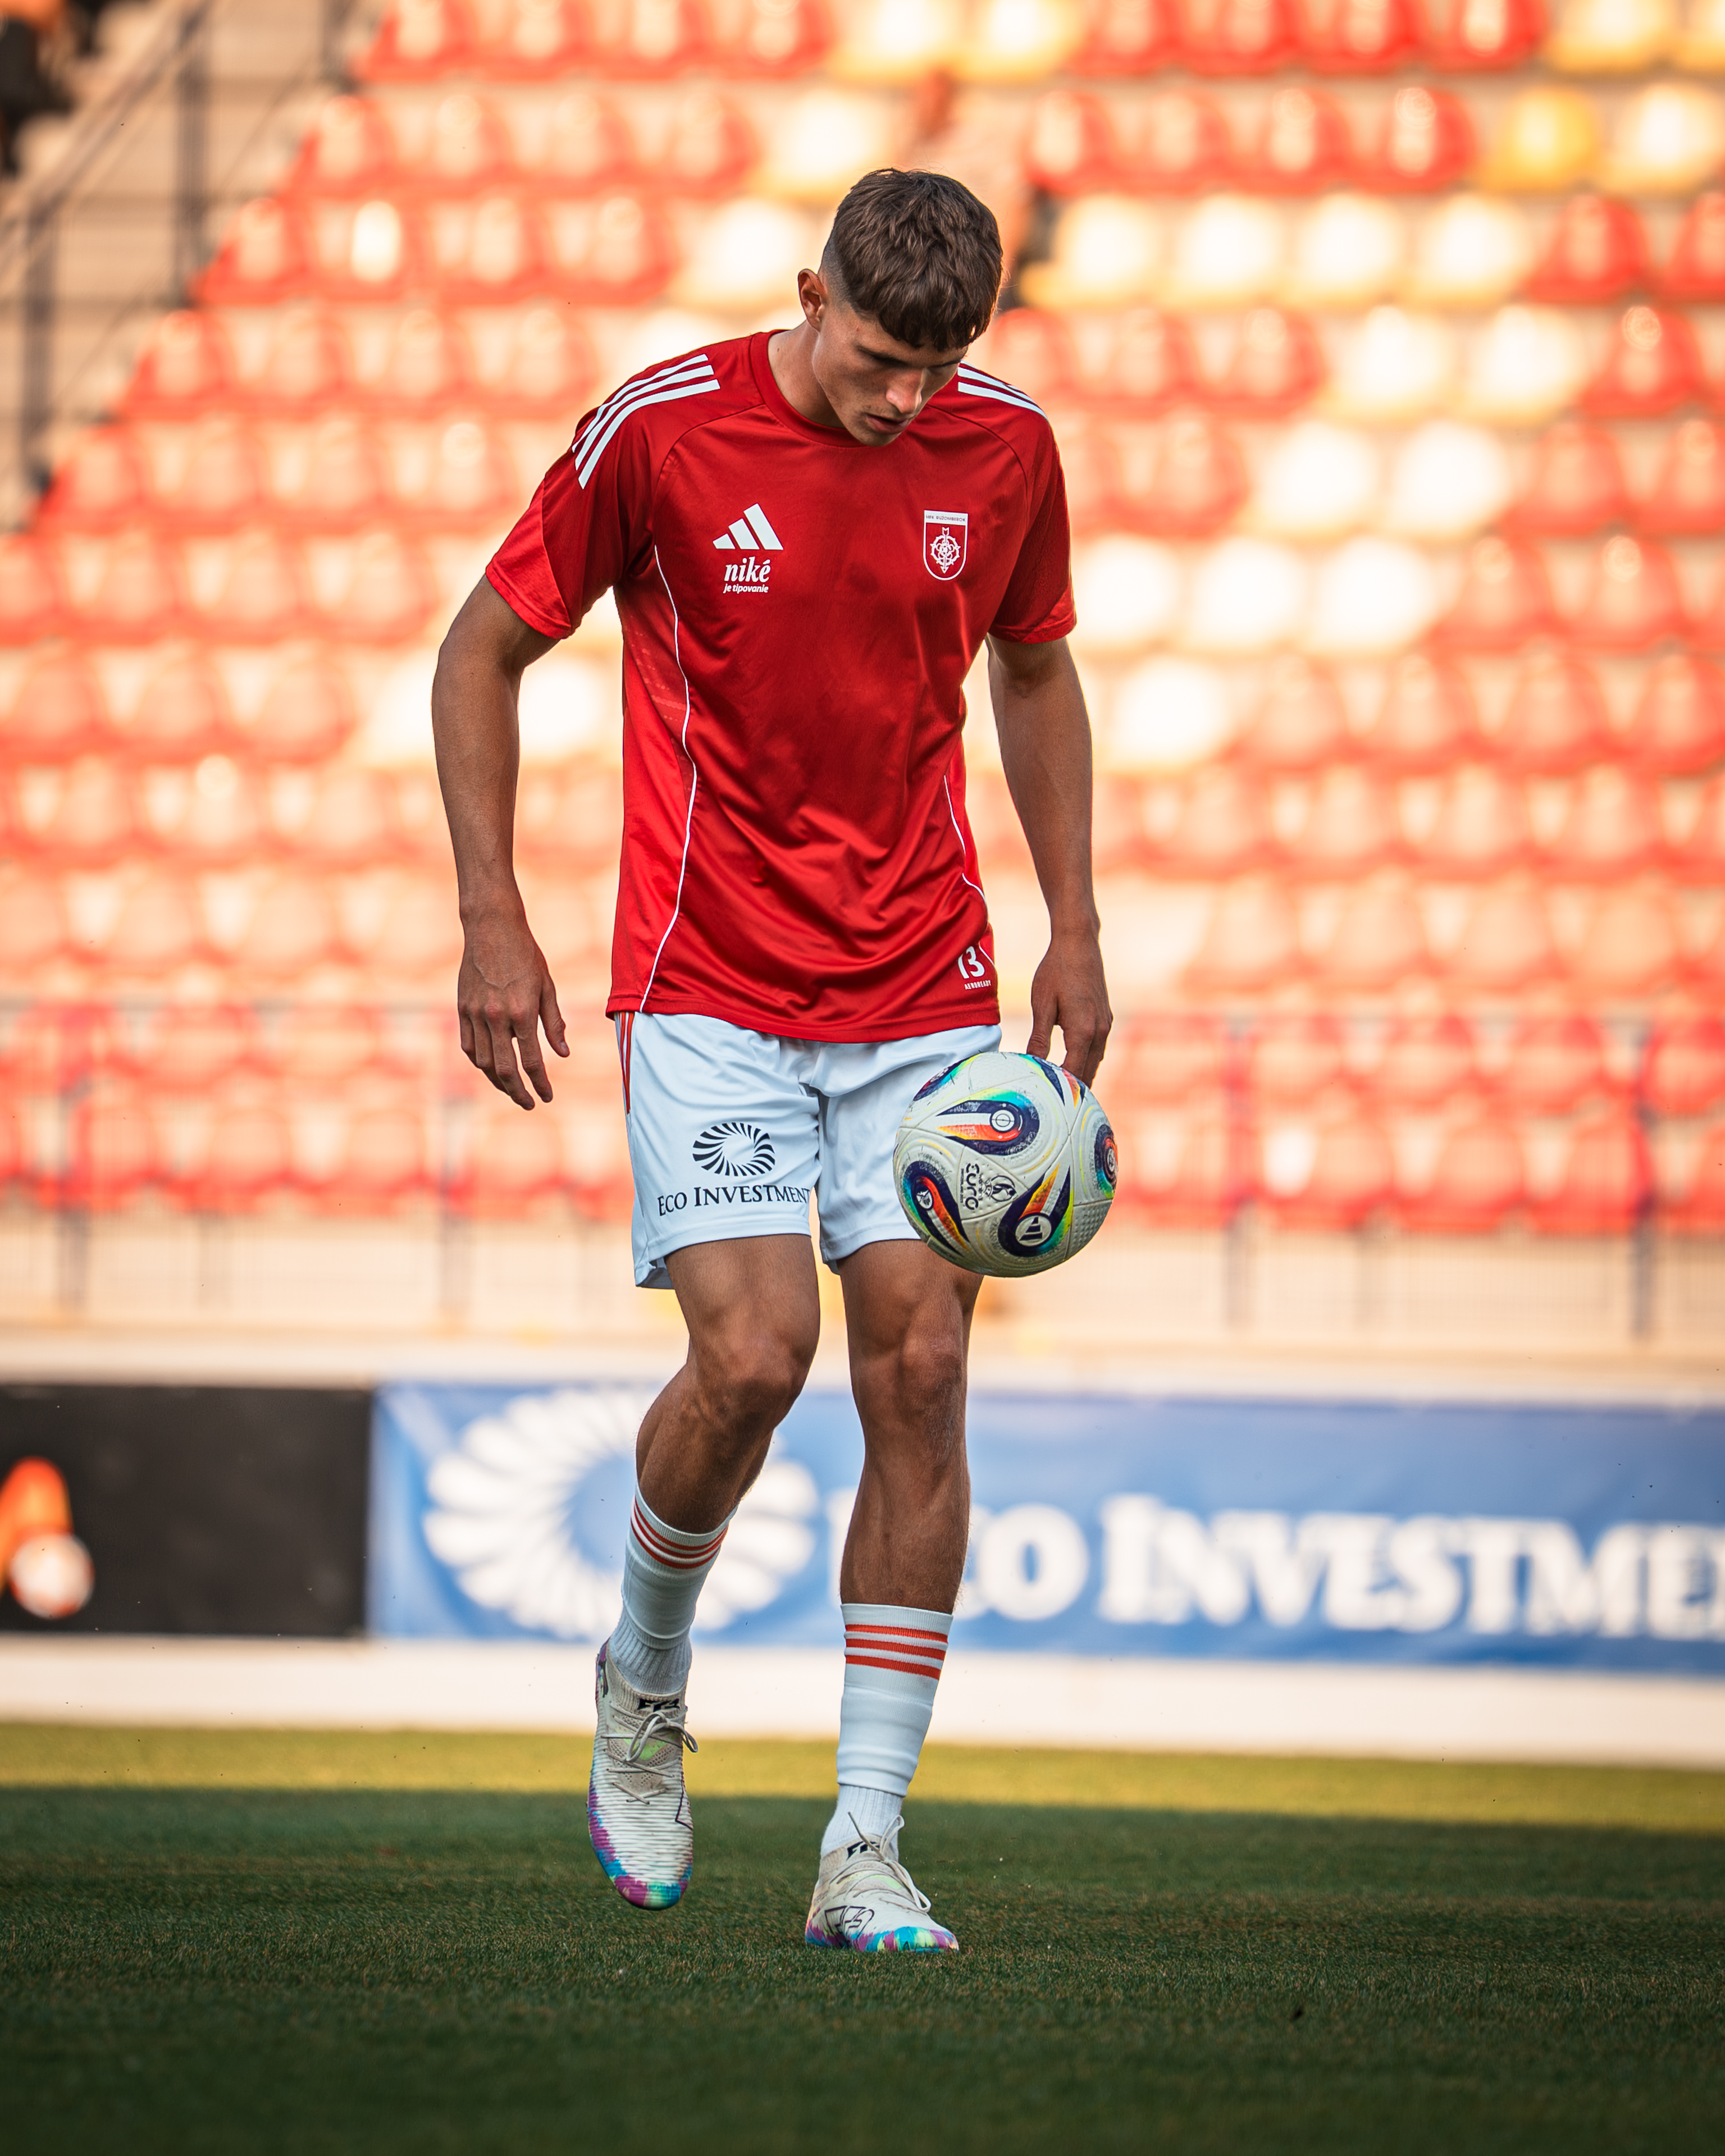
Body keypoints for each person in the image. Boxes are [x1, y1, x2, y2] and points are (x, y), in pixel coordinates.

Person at [432, 167, 1110, 1953]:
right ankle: (644, 1684)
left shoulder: (1007, 449)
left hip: (923, 981)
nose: (908, 398)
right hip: (708, 977)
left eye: (939, 366)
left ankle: (865, 1847)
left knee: (924, 1372)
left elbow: (1038, 672)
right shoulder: (663, 432)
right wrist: (492, 913)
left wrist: (1077, 923)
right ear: (813, 294)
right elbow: (481, 651)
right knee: (751, 1361)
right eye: (882, 359)